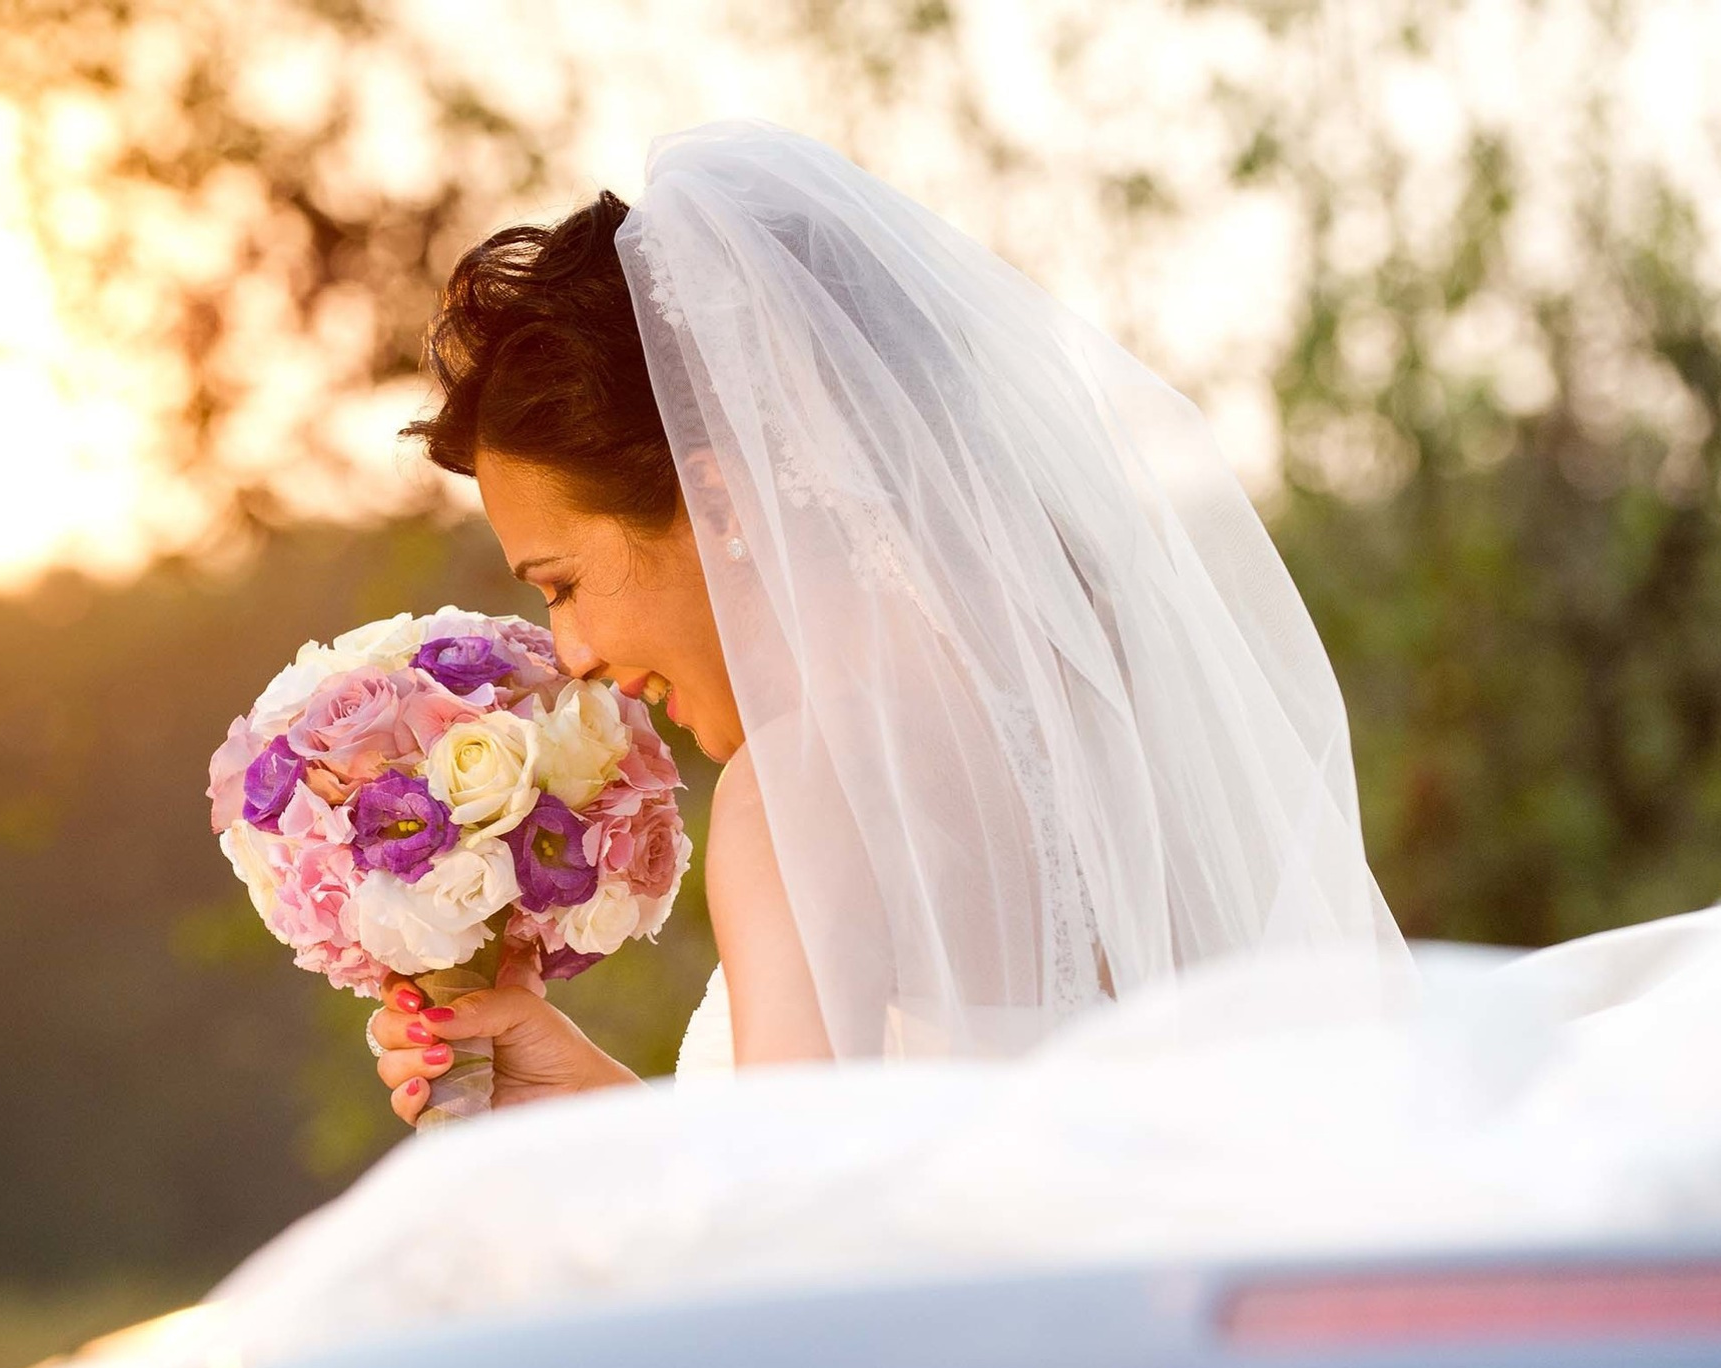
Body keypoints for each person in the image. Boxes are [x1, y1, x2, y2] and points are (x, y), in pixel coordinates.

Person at [364, 119, 1408, 1127]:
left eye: (560, 583)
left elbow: (801, 1278)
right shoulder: (1120, 721)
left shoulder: (804, 793)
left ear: (722, 504)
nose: (576, 653)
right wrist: (599, 1112)